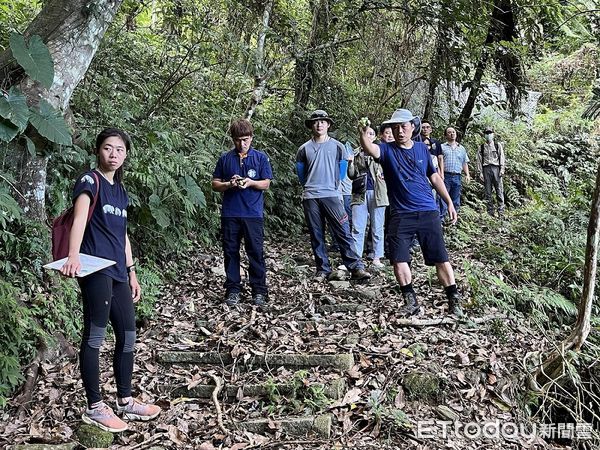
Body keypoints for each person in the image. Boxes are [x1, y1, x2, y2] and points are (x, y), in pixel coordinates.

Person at [60, 128, 161, 433]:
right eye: (107, 148)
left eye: (119, 149)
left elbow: (123, 235)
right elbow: (79, 219)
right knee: (95, 336)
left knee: (128, 336)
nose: (113, 154)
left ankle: (125, 401)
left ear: (126, 154)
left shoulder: (121, 191)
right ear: (98, 151)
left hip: (118, 271)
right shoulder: (89, 181)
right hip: (94, 268)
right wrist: (73, 256)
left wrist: (132, 272)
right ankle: (94, 407)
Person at [358, 109, 464, 316]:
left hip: (427, 211)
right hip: (400, 213)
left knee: (441, 258)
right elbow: (370, 148)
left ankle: (454, 301)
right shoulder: (386, 150)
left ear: (412, 128)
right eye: (395, 127)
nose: (399, 131)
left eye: (403, 126)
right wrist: (363, 132)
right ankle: (411, 301)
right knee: (399, 259)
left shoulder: (422, 149)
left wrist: (449, 202)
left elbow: (434, 178)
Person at [296, 109, 371, 281]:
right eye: (316, 121)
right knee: (316, 233)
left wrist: (334, 185)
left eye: (323, 121)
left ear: (328, 125)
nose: (319, 124)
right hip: (311, 196)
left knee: (343, 230)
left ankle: (355, 267)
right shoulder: (304, 148)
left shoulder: (338, 146)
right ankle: (322, 269)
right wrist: (309, 185)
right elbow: (300, 172)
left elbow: (342, 169)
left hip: (331, 194)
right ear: (311, 126)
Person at [212, 119, 273, 307]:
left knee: (255, 252)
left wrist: (251, 182)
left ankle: (259, 291)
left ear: (251, 138)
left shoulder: (260, 158)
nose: (242, 143)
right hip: (230, 213)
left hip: (253, 214)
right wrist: (229, 184)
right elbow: (215, 184)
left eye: (245, 139)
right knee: (230, 252)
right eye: (238, 140)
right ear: (233, 139)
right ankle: (233, 289)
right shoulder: (225, 159)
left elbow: (266, 183)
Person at [348, 127, 389, 268]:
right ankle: (356, 257)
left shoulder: (381, 151)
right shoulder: (355, 153)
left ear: (375, 136)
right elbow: (351, 175)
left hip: (378, 192)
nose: (368, 135)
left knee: (377, 226)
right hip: (360, 192)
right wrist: (350, 163)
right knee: (358, 227)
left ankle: (377, 256)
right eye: (366, 133)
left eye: (371, 133)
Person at [440, 126, 471, 220]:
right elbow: (438, 161)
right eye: (449, 132)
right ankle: (442, 220)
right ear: (445, 135)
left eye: (453, 132)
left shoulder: (461, 148)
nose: (452, 134)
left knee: (455, 198)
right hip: (445, 176)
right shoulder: (442, 147)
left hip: (457, 176)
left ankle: (453, 219)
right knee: (443, 198)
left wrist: (467, 174)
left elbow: (464, 162)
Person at [477, 127, 506, 216]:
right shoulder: (481, 147)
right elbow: (479, 160)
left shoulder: (497, 145)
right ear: (484, 135)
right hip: (486, 169)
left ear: (493, 134)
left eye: (490, 133)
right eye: (487, 133)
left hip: (496, 168)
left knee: (499, 190)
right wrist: (480, 172)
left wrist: (502, 169)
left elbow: (502, 157)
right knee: (488, 192)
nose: (488, 135)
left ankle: (501, 212)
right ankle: (490, 213)